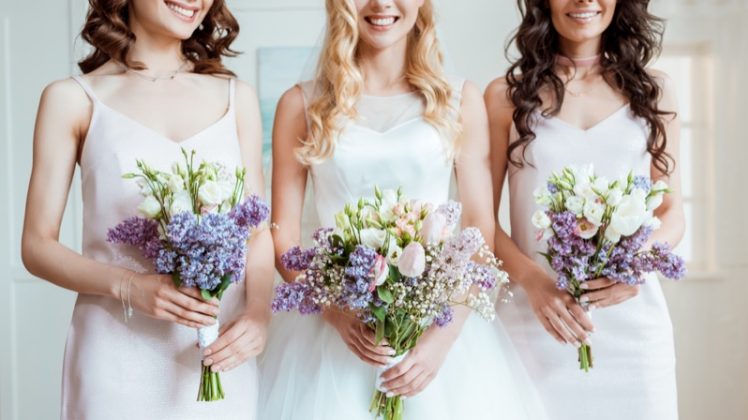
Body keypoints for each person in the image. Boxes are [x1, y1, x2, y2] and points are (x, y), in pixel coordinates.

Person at [258, 0, 548, 419]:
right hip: (333, 336)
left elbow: (479, 231)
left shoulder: (458, 99)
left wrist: (440, 342)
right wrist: (336, 314)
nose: (381, 4)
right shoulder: (301, 105)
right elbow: (282, 238)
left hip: (441, 339)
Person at [21, 1, 274, 418]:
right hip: (116, 355)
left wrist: (258, 314)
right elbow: (36, 246)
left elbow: (257, 231)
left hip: (220, 354)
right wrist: (128, 286)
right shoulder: (72, 99)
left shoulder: (236, 97)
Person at [486, 1, 685, 419]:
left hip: (633, 332)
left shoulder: (654, 91)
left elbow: (671, 213)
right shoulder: (506, 98)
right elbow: (481, 223)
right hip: (535, 324)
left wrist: (636, 266)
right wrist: (536, 284)